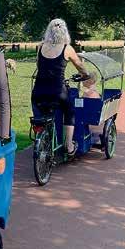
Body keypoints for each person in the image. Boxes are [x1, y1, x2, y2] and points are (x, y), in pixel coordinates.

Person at [31, 18, 89, 156]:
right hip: (57, 92)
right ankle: (69, 146)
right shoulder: (67, 48)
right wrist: (85, 74)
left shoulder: (40, 46)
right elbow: (80, 66)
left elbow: (39, 65)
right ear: (65, 32)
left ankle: (42, 139)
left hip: (38, 91)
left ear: (48, 31)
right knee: (69, 111)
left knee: (39, 114)